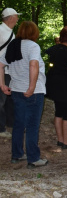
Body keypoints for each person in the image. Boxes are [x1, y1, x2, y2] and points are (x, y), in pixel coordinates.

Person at [0, 21, 48, 168]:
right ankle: (33, 158)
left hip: (16, 90)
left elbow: (0, 64)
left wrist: (2, 84)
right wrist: (32, 86)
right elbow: (33, 65)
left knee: (19, 124)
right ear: (34, 33)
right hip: (33, 91)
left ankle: (17, 154)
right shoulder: (33, 46)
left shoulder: (13, 45)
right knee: (33, 125)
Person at [0, 8, 20, 138]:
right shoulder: (1, 31)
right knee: (1, 100)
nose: (18, 18)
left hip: (8, 70)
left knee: (9, 99)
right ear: (10, 18)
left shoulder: (10, 32)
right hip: (1, 70)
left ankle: (10, 123)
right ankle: (1, 129)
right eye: (16, 16)